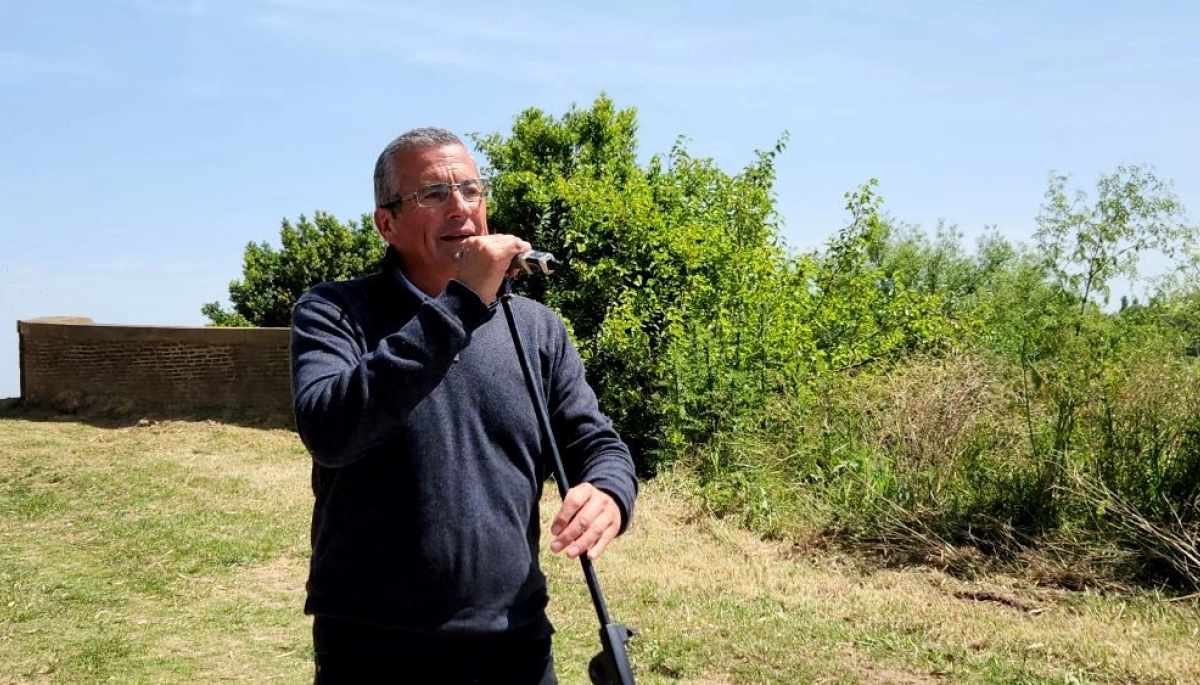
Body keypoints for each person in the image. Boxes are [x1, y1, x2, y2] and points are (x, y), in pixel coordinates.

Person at [289, 127, 638, 684]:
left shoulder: (535, 327)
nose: (459, 207)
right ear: (387, 224)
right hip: (373, 646)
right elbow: (331, 431)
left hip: (514, 643)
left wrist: (610, 492)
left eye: (471, 191)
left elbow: (594, 441)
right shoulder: (335, 312)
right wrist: (460, 304)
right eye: (432, 194)